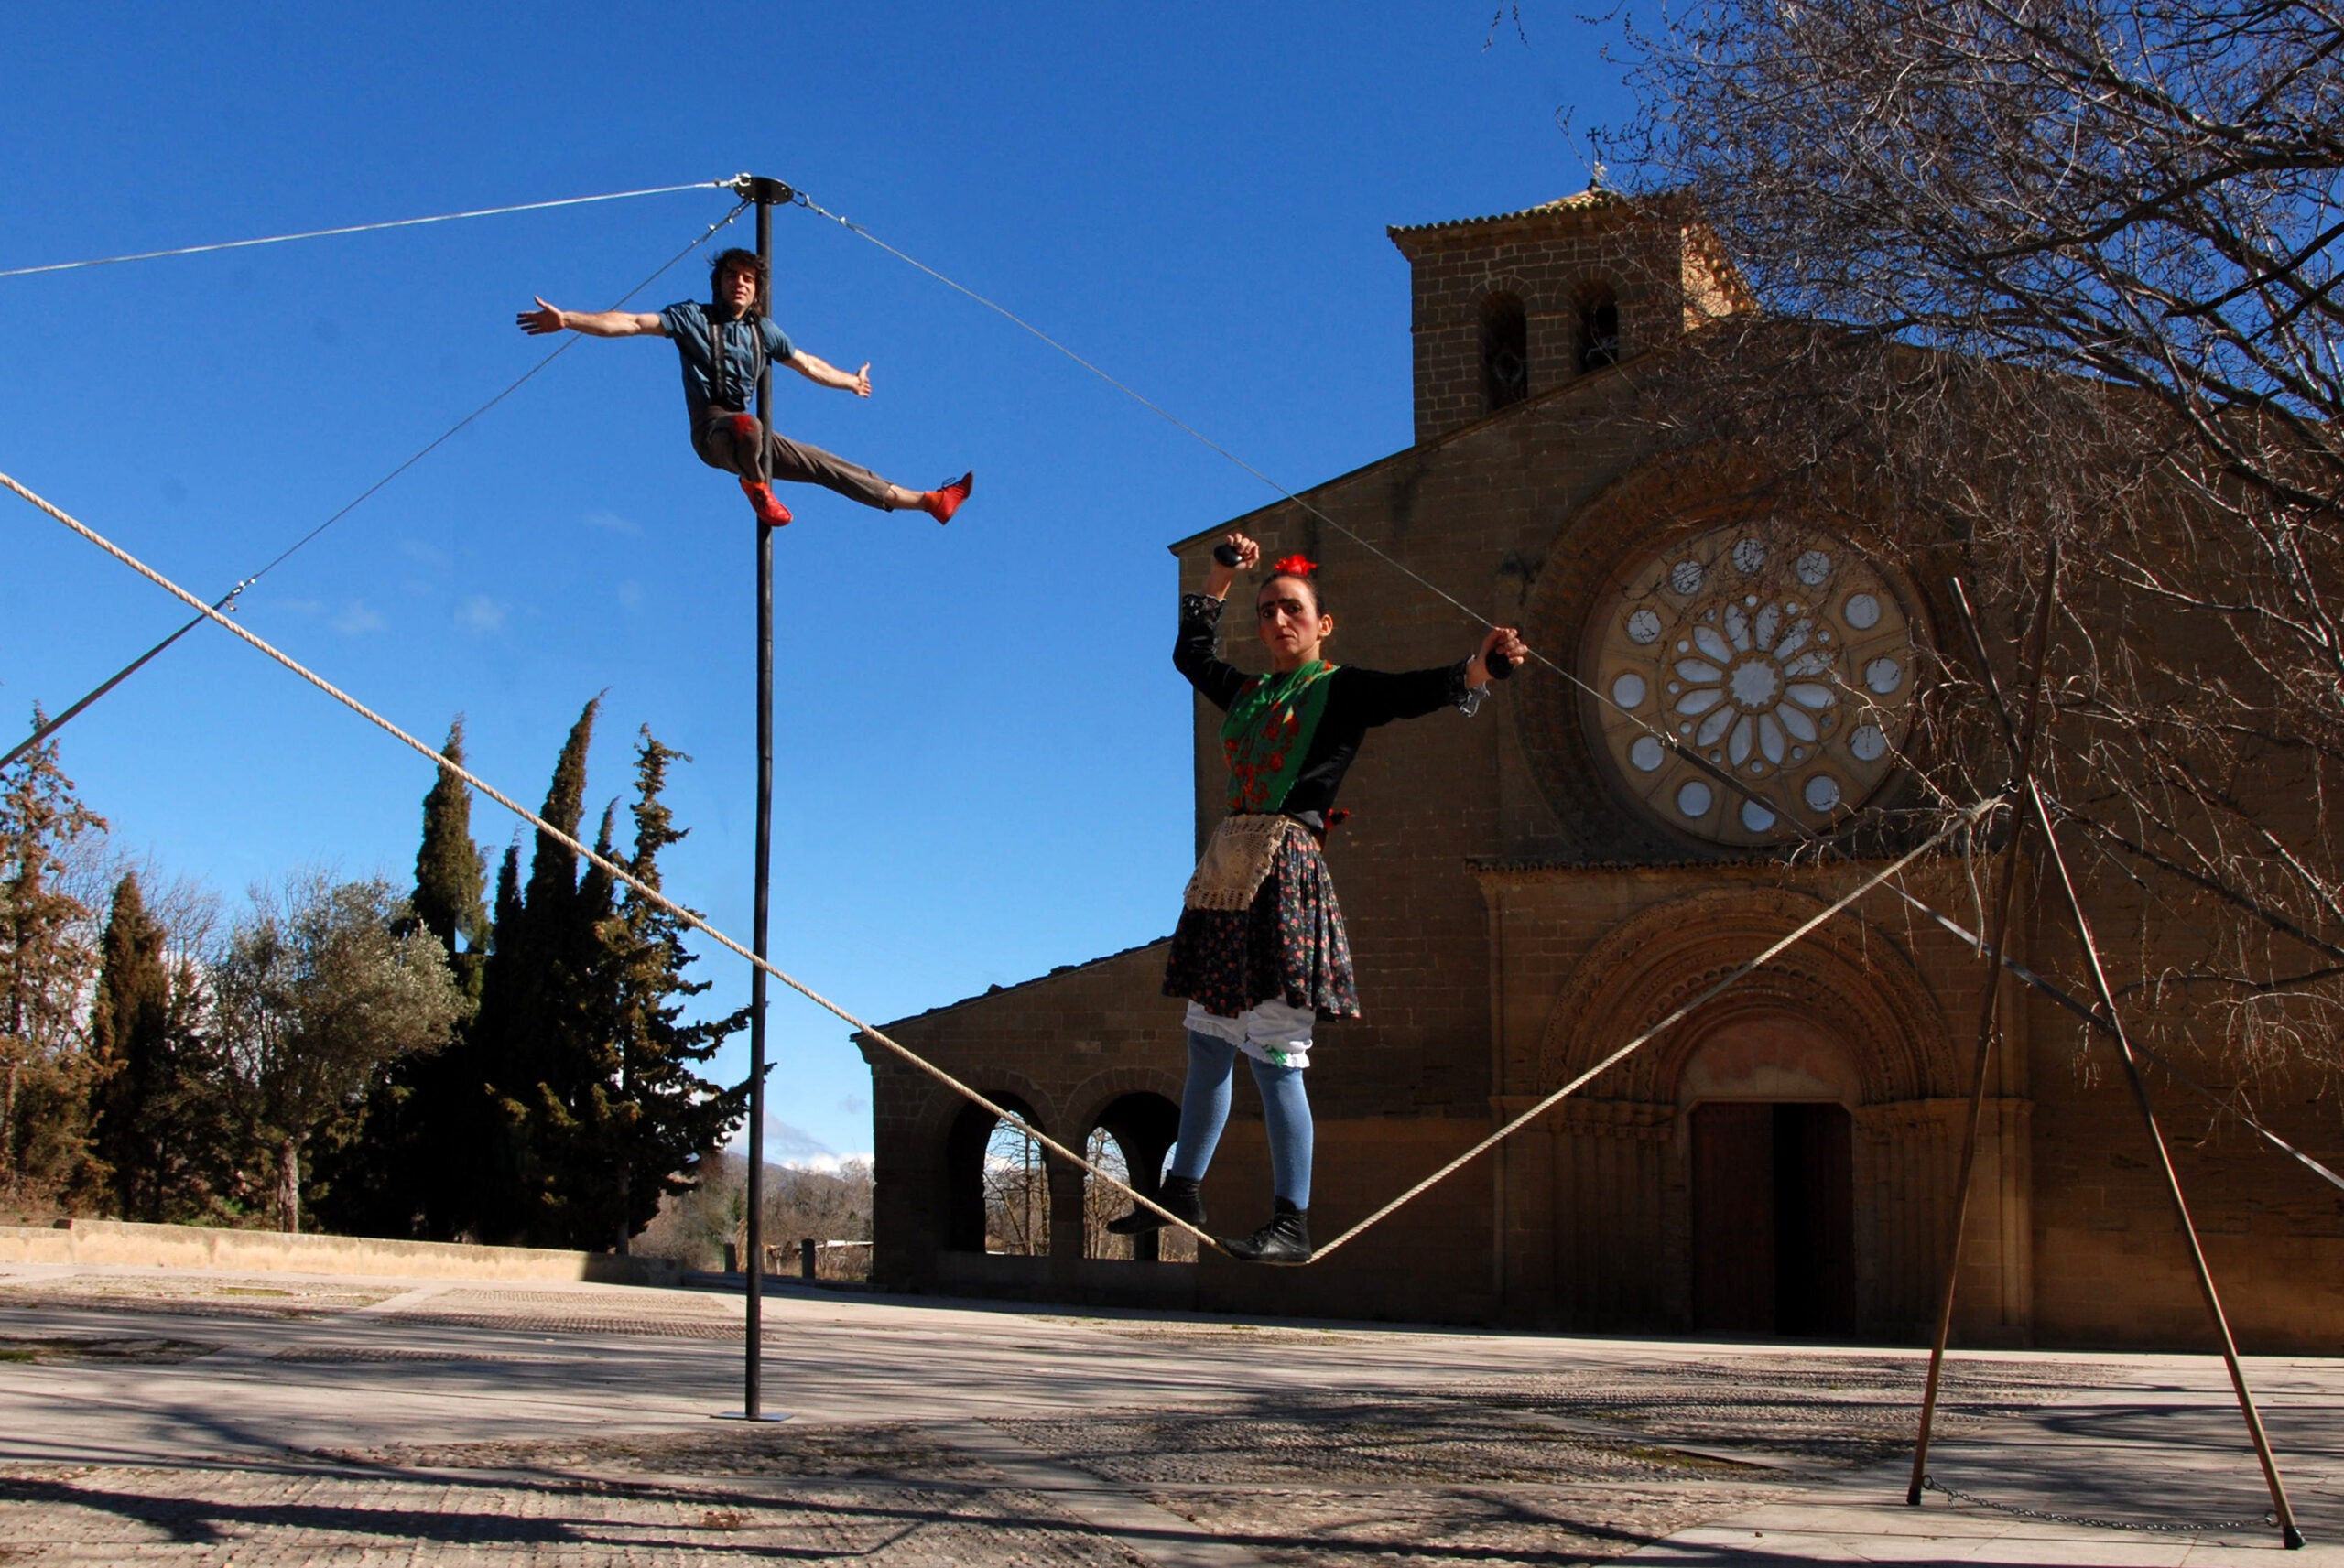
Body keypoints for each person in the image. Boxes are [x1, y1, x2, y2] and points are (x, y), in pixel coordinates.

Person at [1107, 533, 1528, 1263]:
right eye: (1268, 610)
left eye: (1292, 609)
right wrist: (1220, 574)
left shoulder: (1340, 689)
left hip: (1282, 877)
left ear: (1323, 624)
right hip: (1225, 876)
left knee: (1273, 1052)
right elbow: (1191, 655)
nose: (1278, 620)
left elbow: (1411, 691)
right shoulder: (1248, 694)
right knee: (1207, 1041)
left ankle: (1291, 1219)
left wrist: (1480, 667)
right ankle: (1183, 1187)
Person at [517, 247, 971, 528]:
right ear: (719, 284)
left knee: (824, 463)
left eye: (748, 279)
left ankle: (928, 502)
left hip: (749, 431)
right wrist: (569, 319)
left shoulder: (763, 332)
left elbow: (808, 364)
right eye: (732, 276)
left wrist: (850, 381)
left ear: (756, 291)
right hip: (713, 432)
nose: (739, 283)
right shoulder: (693, 318)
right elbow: (632, 323)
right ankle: (755, 486)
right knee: (746, 427)